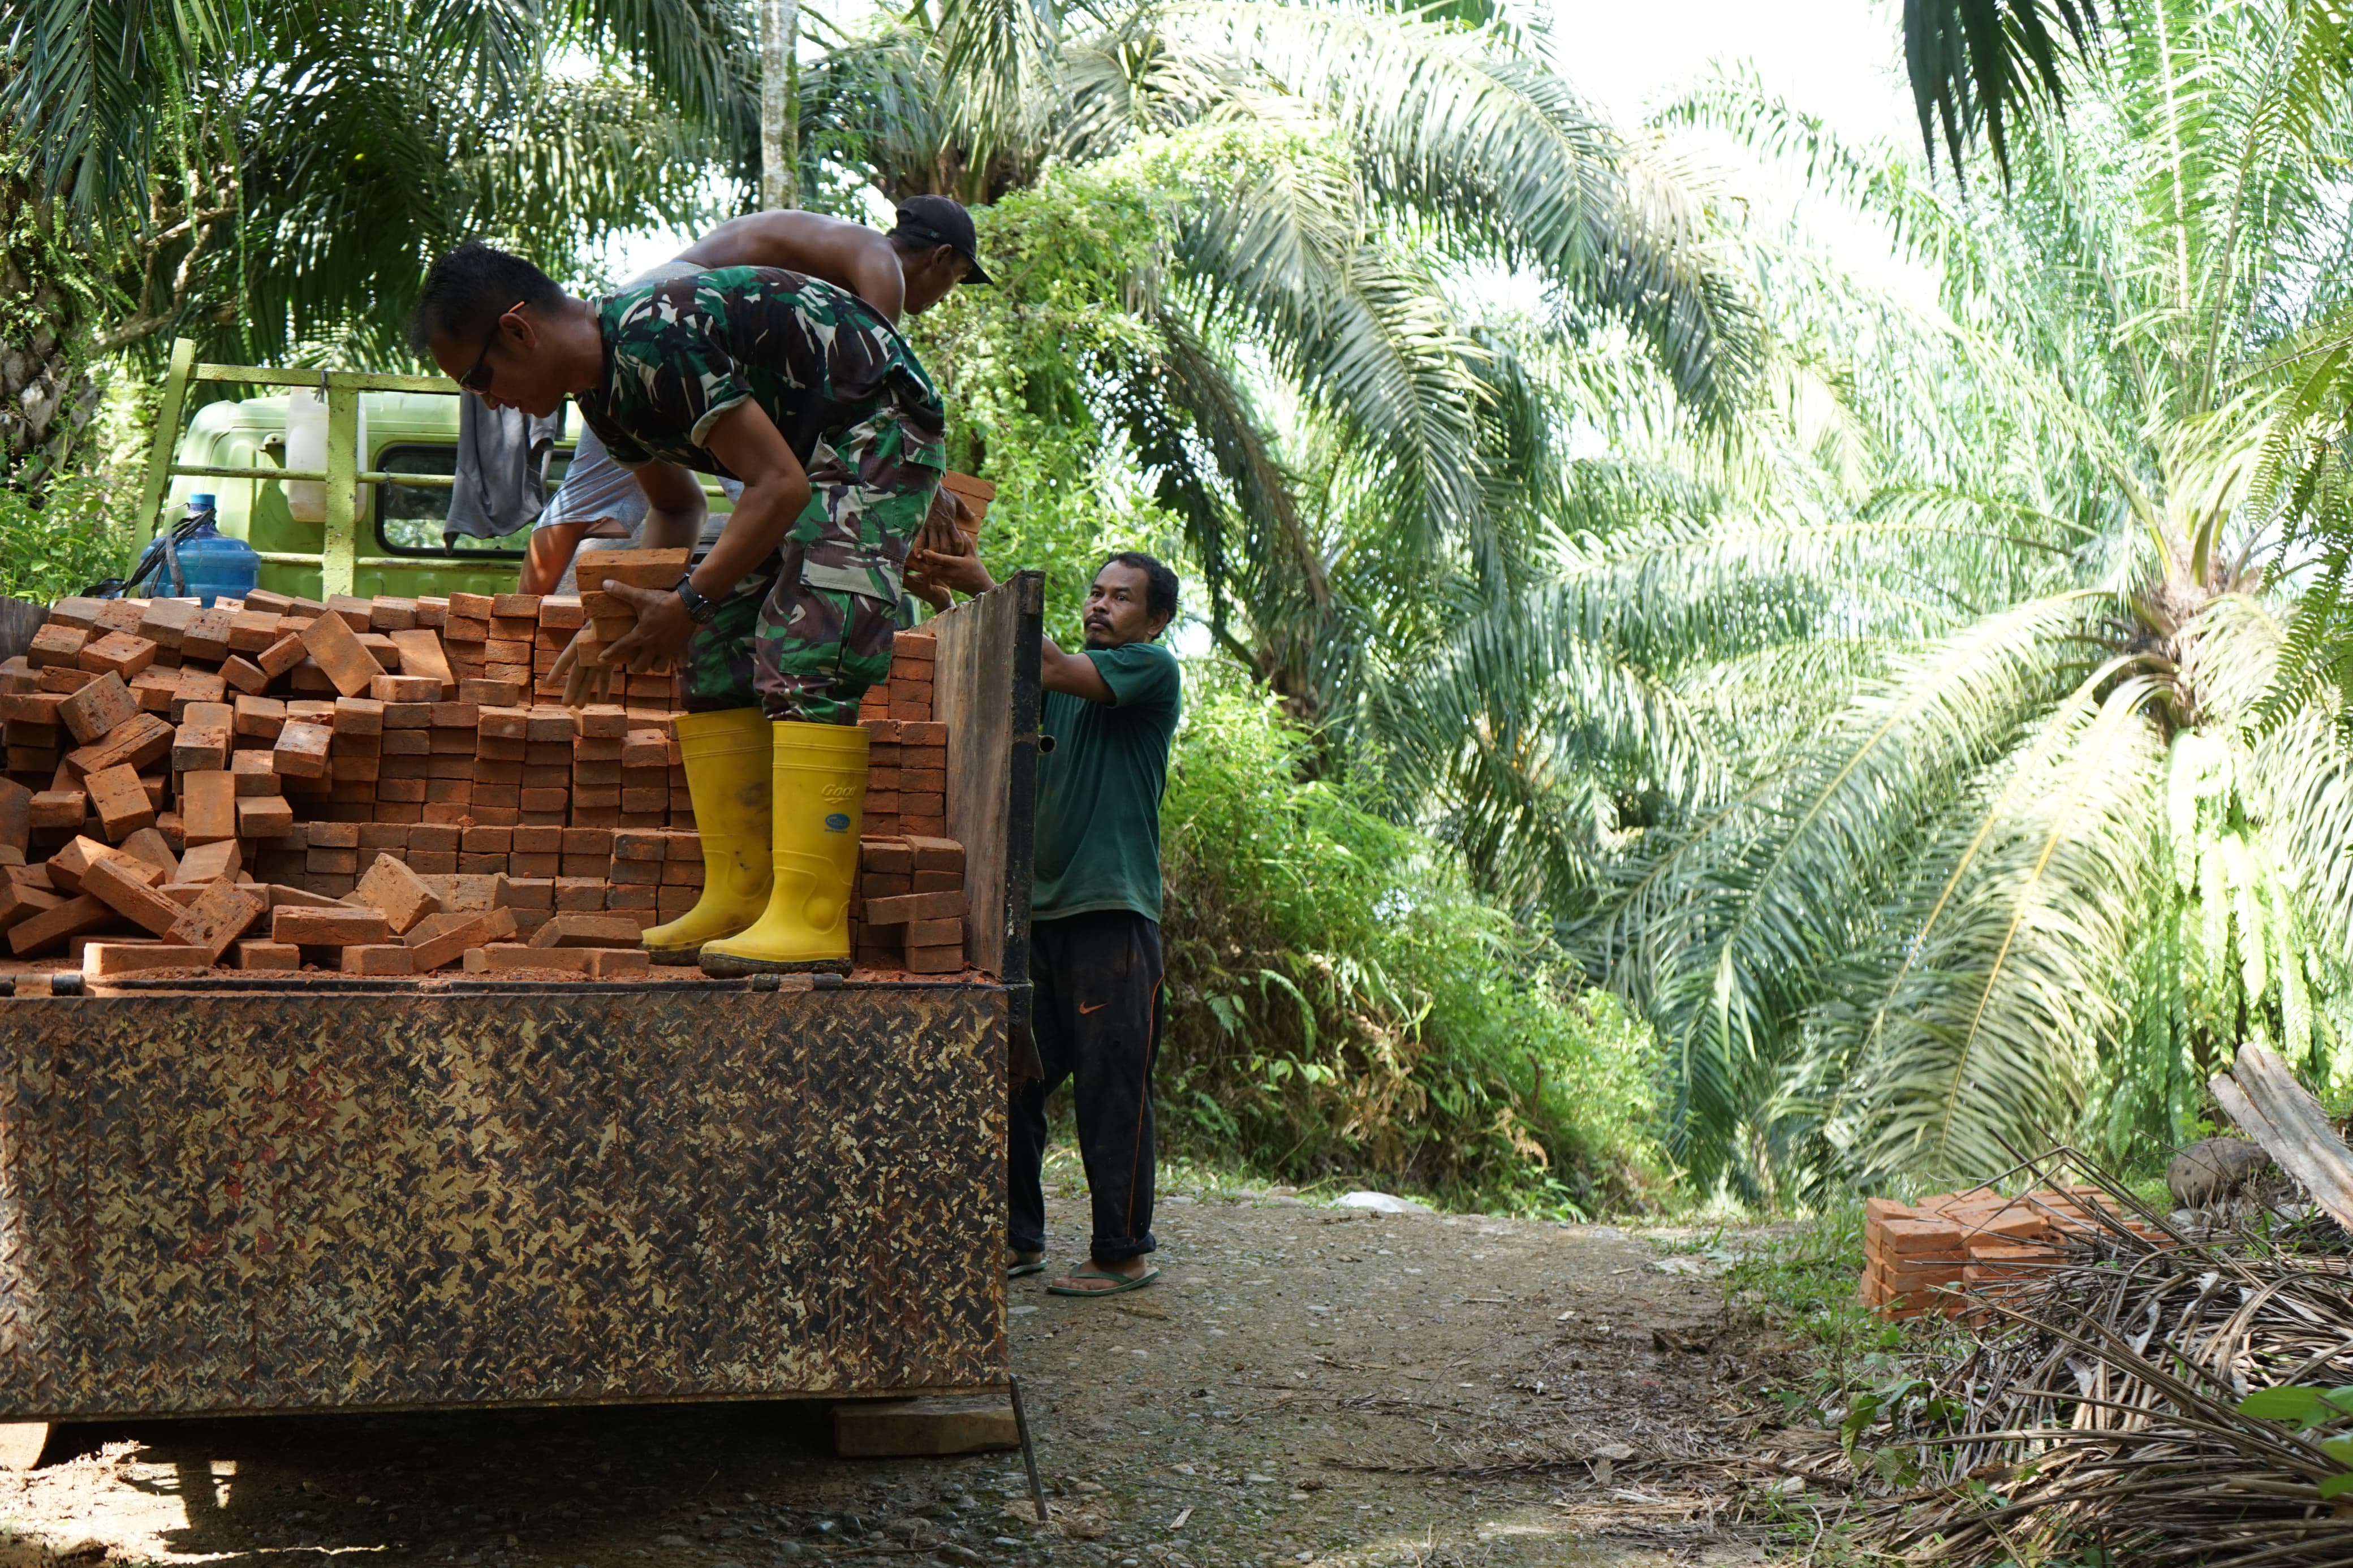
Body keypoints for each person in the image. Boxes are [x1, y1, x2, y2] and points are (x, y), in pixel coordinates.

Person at [410, 224, 982, 977]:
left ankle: (811, 922)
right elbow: (678, 511)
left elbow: (780, 487)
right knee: (713, 654)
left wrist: (686, 600)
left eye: (481, 381)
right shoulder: (605, 397)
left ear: (516, 330)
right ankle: (740, 897)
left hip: (876, 429)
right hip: (809, 450)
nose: (494, 404)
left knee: (806, 649)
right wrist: (629, 615)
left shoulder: (652, 336)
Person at [913, 545, 1183, 1297]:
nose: (1101, 605)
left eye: (1122, 598)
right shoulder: (1058, 679)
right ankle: (1017, 1239)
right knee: (1019, 1080)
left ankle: (1122, 1250)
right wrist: (945, 591)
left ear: (1156, 619)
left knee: (1112, 1084)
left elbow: (1055, 666)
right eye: (1096, 593)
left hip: (1113, 916)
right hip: (1039, 917)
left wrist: (976, 577)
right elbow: (1005, 663)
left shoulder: (1148, 672)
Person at [519, 199, 988, 598]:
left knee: (594, 488)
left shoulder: (843, 252)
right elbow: (874, 393)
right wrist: (928, 487)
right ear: (941, 257)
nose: (945, 296)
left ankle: (521, 622)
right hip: (679, 314)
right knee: (776, 491)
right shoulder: (880, 263)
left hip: (639, 307)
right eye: (957, 278)